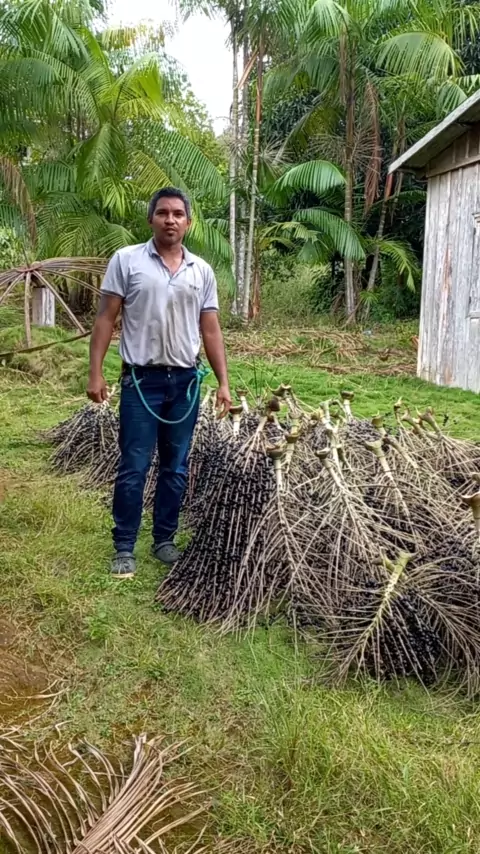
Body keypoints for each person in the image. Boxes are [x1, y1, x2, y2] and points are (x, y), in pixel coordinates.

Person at [87, 187, 231, 579]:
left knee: (176, 466)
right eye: (163, 213)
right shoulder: (127, 260)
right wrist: (95, 372)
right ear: (151, 218)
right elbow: (105, 318)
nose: (171, 220)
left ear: (188, 222)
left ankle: (164, 539)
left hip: (184, 383)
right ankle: (124, 545)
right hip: (141, 381)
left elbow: (211, 329)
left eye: (178, 214)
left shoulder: (200, 271)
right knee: (134, 465)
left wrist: (223, 382)